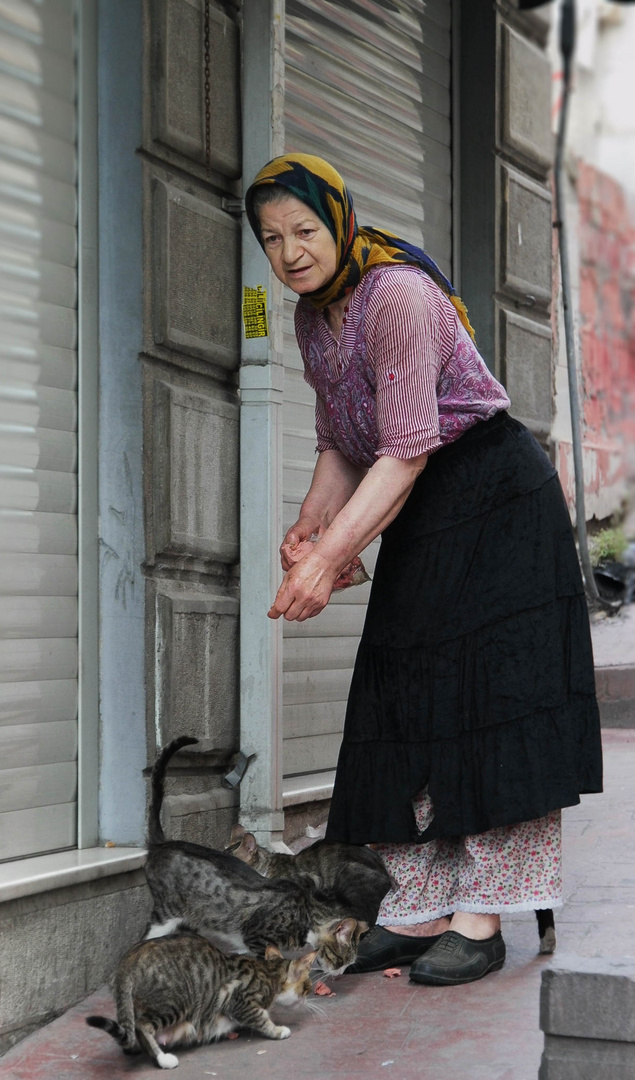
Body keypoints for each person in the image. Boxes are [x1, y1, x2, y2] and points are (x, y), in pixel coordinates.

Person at [245, 153, 603, 986]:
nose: (290, 251)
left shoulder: (396, 295)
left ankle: (482, 919)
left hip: (493, 495)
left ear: (337, 220)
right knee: (399, 694)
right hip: (420, 504)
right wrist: (309, 521)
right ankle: (415, 909)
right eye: (271, 239)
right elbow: (345, 440)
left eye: (303, 229)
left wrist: (330, 560)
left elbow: (406, 446)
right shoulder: (311, 315)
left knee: (490, 700)